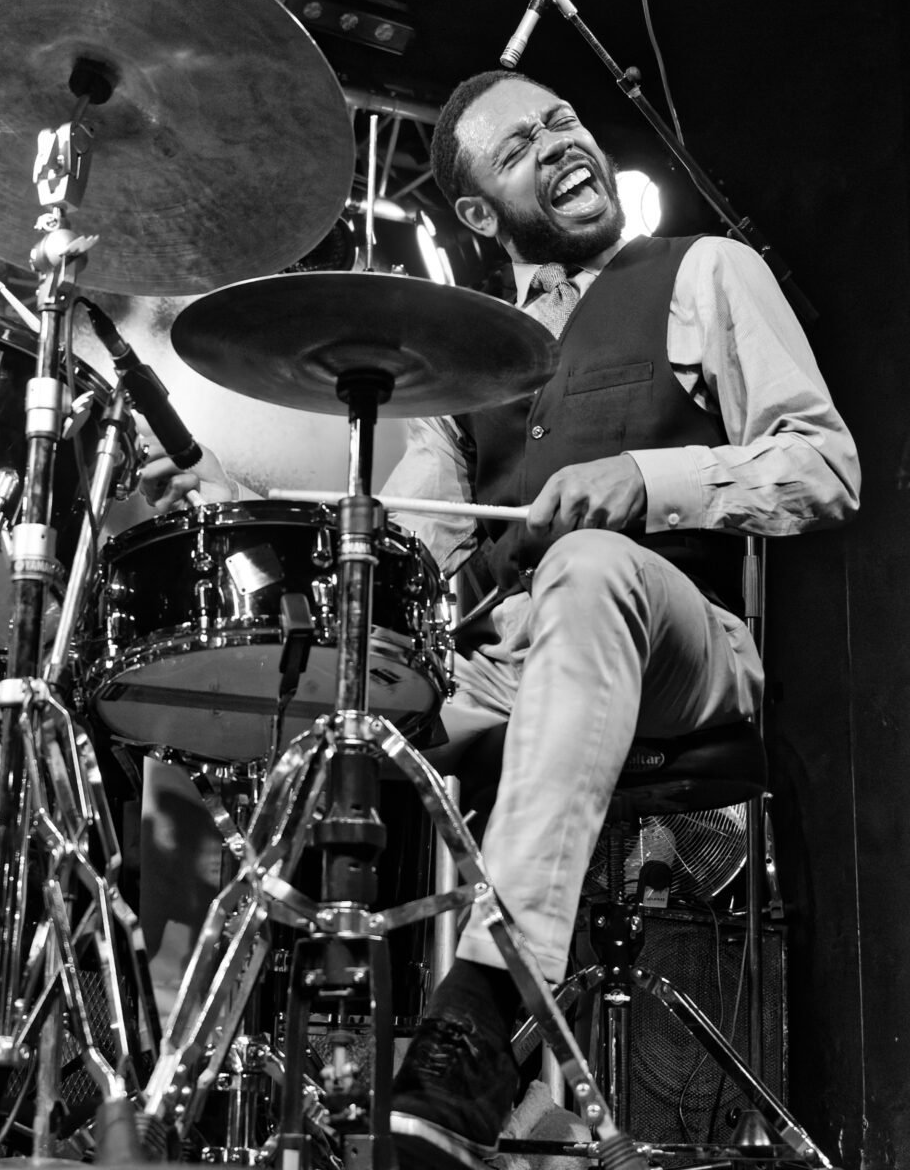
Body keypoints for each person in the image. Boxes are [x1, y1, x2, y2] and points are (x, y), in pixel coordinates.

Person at [141, 69, 860, 1169]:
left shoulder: (705, 269)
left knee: (585, 567)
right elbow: (417, 572)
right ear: (479, 213)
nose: (562, 143)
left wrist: (650, 478)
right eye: (523, 146)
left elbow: (825, 467)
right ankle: (188, 1080)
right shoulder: (462, 365)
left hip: (682, 641)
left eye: (563, 120)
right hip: (509, 664)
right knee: (239, 695)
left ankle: (473, 1034)